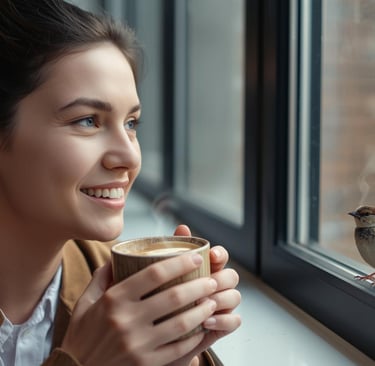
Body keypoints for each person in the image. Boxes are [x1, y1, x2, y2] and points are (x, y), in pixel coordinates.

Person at [0, 0, 242, 365]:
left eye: (131, 124)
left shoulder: (118, 292)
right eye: (87, 121)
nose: (129, 157)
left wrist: (183, 356)